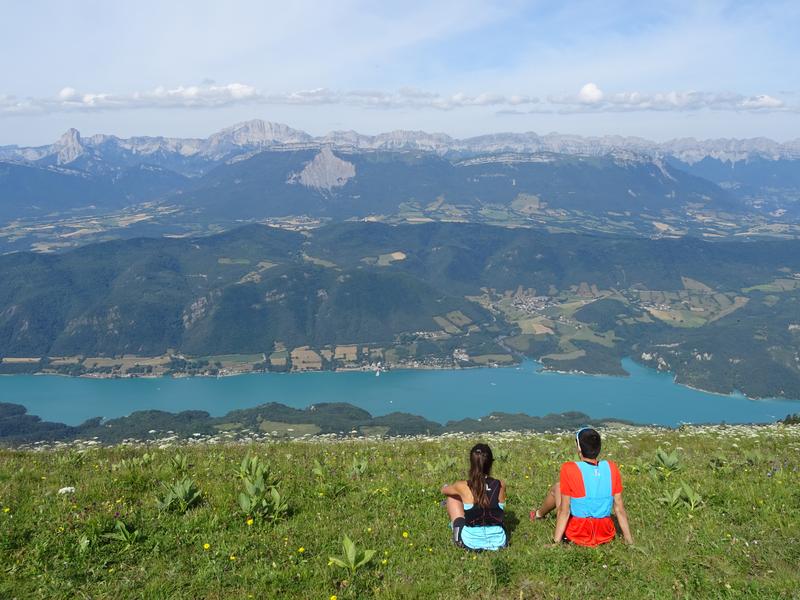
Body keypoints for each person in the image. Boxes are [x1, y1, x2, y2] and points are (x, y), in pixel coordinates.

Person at [531, 427, 633, 546]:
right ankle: (538, 514)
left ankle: (538, 514)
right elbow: (619, 509)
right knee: (560, 487)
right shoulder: (611, 467)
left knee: (558, 488)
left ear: (579, 448)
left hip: (578, 533)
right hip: (605, 534)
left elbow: (564, 510)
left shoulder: (569, 468)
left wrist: (555, 542)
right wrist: (629, 540)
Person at [441, 443, 508, 551]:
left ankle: (457, 530)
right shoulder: (500, 484)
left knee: (452, 497)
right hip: (500, 542)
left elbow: (444, 490)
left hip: (470, 542)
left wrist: (450, 489)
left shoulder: (462, 485)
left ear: (471, 463)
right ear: (491, 463)